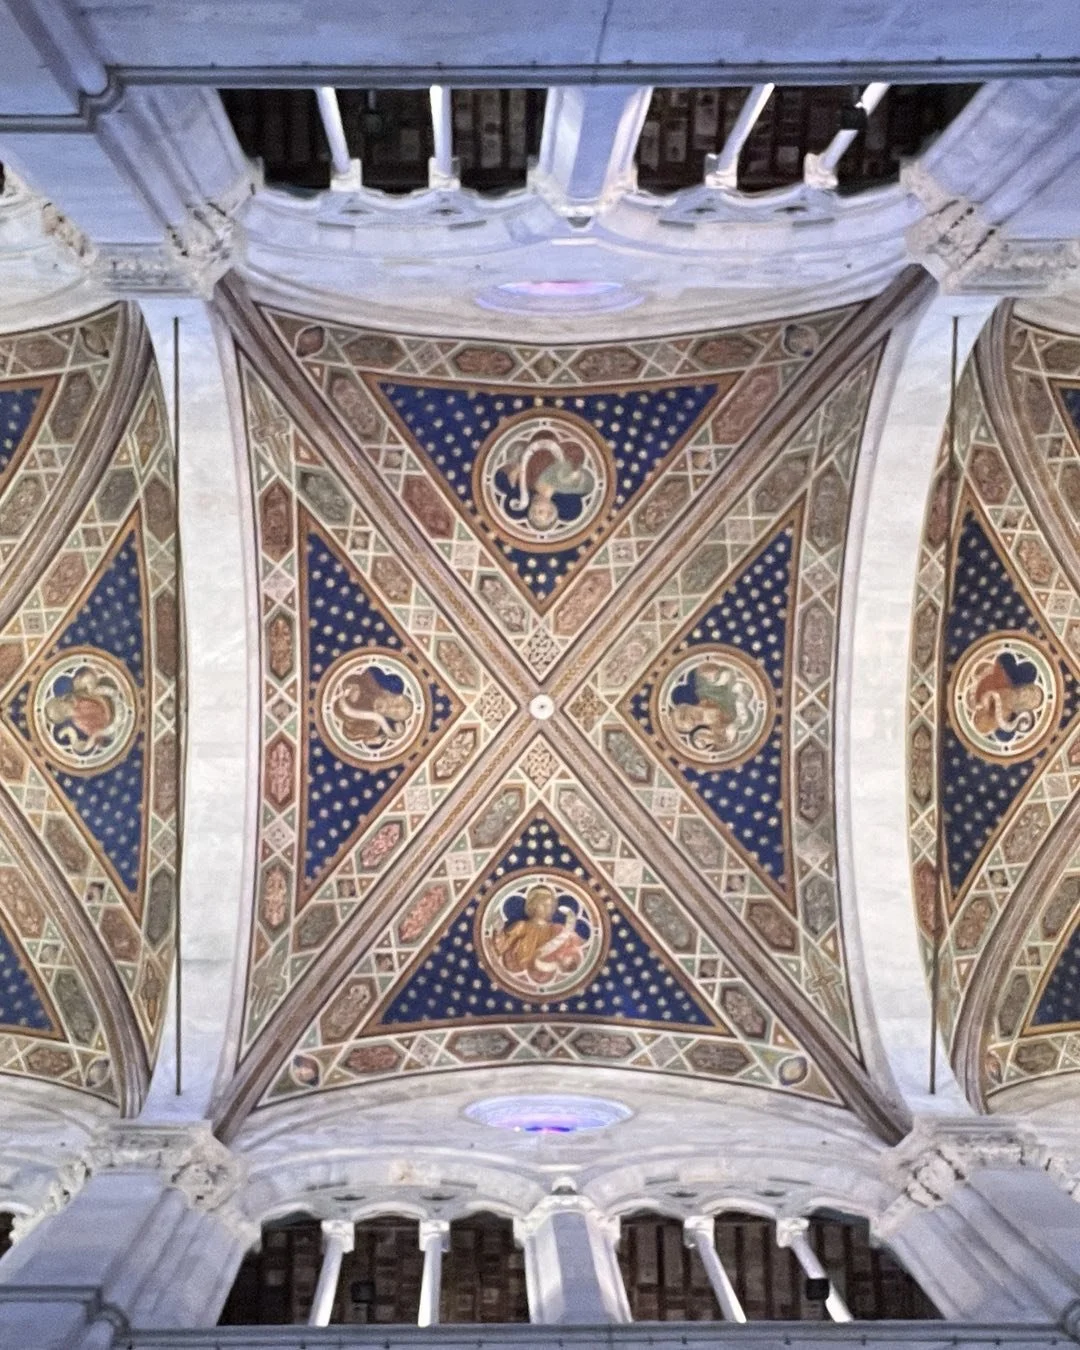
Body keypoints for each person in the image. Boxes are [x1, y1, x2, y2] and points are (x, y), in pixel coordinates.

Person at [492, 883, 585, 986]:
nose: (547, 908)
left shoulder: (557, 930)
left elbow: (576, 946)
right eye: (543, 904)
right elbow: (502, 946)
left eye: (550, 905)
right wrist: (499, 930)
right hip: (520, 971)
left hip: (548, 976)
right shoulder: (521, 926)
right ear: (533, 905)